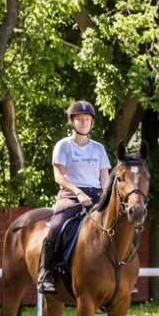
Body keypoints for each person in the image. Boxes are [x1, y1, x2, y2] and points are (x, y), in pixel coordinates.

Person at [38, 101, 110, 294]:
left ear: (92, 123)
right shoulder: (63, 146)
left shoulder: (99, 149)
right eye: (80, 119)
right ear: (72, 122)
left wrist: (105, 199)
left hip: (96, 196)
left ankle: (121, 273)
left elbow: (105, 179)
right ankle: (46, 274)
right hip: (70, 195)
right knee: (56, 226)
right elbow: (58, 176)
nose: (84, 122)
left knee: (117, 225)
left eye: (87, 119)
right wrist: (78, 193)